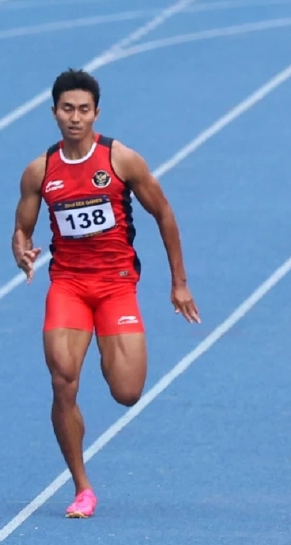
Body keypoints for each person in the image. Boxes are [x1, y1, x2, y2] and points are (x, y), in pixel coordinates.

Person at [12, 69, 200, 519]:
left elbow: (164, 214)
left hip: (116, 285)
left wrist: (179, 282)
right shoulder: (40, 170)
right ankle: (82, 487)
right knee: (62, 380)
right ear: (54, 112)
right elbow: (21, 228)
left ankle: (105, 346)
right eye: (66, 109)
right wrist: (21, 251)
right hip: (69, 285)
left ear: (96, 112)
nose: (74, 118)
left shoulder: (121, 161)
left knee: (127, 392)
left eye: (83, 109)